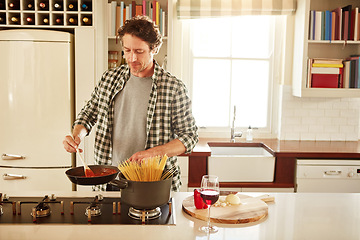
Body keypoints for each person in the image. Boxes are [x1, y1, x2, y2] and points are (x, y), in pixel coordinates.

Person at [63, 15, 198, 191]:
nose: (132, 58)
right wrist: (77, 136)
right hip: (108, 179)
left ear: (154, 49)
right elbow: (89, 114)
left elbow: (189, 137)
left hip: (153, 183)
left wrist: (153, 153)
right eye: (127, 50)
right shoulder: (109, 78)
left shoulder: (174, 88)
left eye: (139, 51)